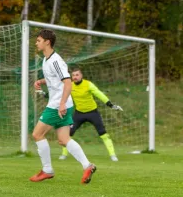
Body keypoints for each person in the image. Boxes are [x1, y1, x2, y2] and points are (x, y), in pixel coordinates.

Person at [30, 29, 96, 184]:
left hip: (58, 104)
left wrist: (61, 104)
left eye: (39, 40)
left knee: (37, 134)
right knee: (63, 139)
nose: (36, 42)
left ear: (47, 42)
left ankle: (47, 170)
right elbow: (57, 78)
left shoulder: (55, 60)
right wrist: (41, 81)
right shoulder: (46, 60)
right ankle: (87, 165)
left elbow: (67, 82)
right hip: (64, 104)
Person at [59, 68, 123, 162]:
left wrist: (110, 104)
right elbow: (61, 93)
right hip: (79, 113)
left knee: (103, 133)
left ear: (81, 76)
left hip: (92, 113)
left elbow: (99, 94)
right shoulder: (70, 86)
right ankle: (64, 154)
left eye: (77, 75)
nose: (75, 77)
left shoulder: (88, 84)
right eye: (73, 75)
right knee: (68, 133)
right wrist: (46, 95)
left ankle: (112, 155)